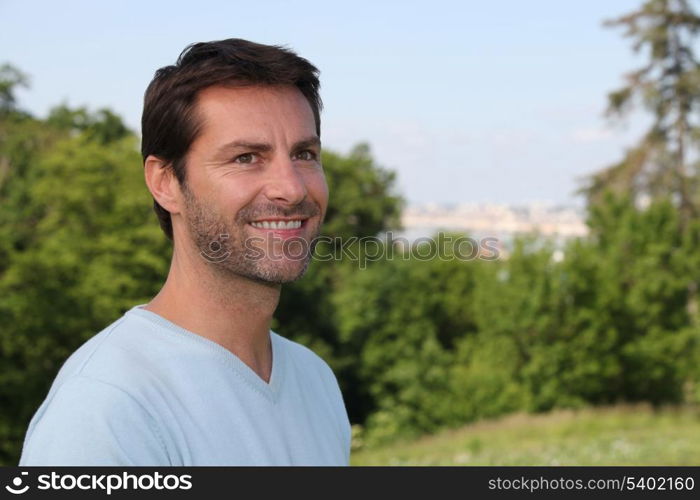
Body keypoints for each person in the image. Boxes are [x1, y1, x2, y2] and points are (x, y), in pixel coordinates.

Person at [19, 38, 351, 466]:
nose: (291, 188)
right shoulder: (107, 408)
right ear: (165, 183)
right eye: (247, 157)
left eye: (304, 154)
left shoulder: (314, 381)